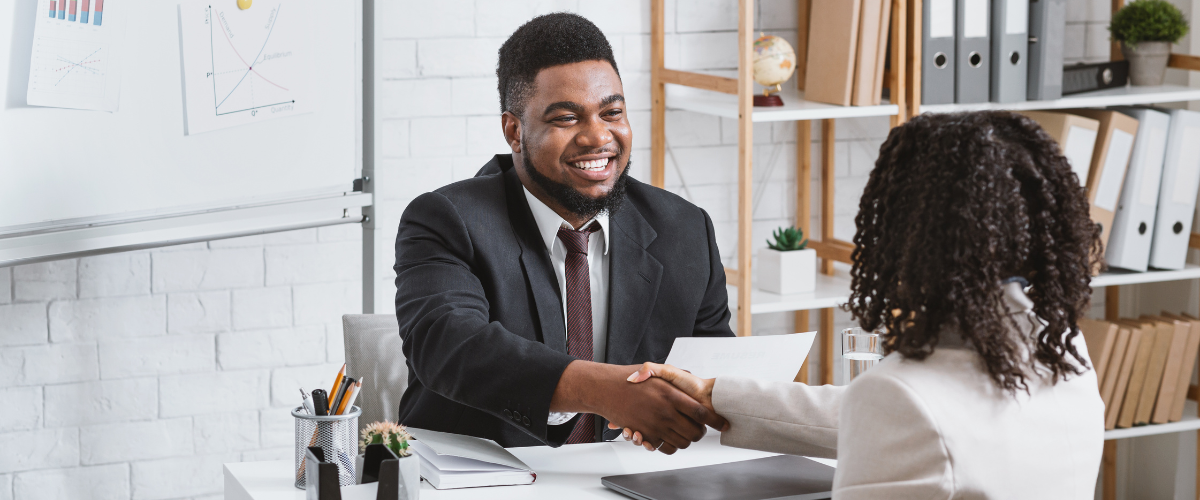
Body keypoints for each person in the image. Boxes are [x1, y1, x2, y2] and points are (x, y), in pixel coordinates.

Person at [615, 111, 1106, 498]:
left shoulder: (901, 395)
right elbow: (876, 414)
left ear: (905, 233)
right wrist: (713, 394)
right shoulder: (1063, 353)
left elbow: (897, 412)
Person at [392, 12, 733, 452]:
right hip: (488, 483)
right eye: (567, 118)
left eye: (612, 112)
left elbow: (712, 371)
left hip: (637, 479)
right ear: (515, 131)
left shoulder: (684, 229)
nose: (597, 137)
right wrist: (608, 390)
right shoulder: (446, 219)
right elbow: (451, 345)